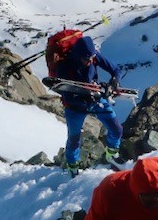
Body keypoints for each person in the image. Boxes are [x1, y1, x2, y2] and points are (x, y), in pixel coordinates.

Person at [50, 33, 123, 172]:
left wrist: (115, 80)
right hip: (74, 107)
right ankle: (73, 166)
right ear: (77, 55)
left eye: (92, 58)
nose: (90, 61)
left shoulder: (91, 56)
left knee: (116, 129)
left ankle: (112, 155)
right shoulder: (64, 66)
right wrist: (87, 97)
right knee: (74, 140)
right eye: (86, 58)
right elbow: (67, 95)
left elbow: (115, 69)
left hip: (95, 99)